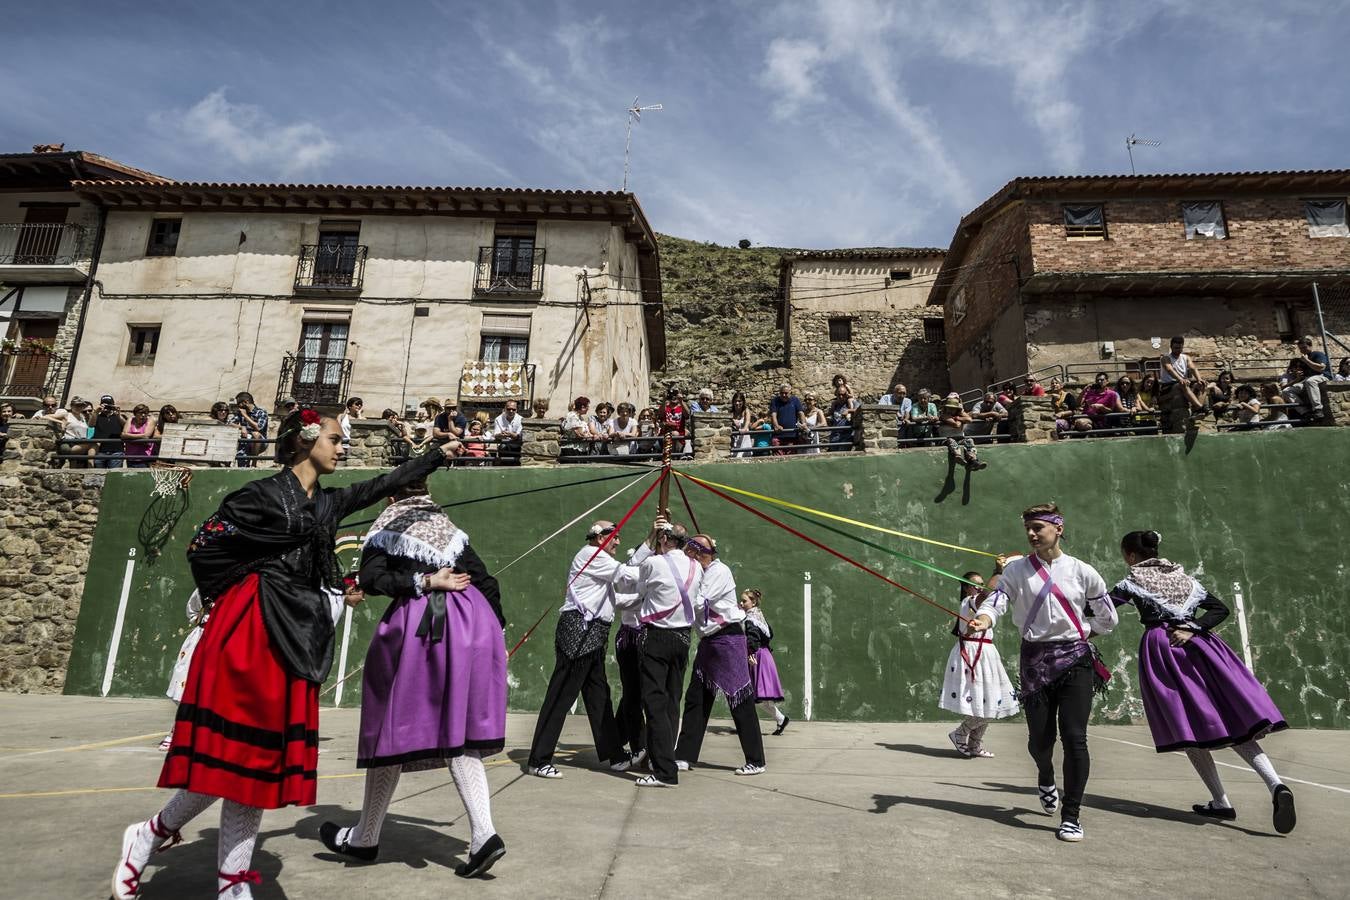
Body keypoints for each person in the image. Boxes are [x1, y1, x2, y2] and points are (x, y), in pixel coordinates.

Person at [108, 409, 461, 900]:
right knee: (229, 757)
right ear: (306, 440)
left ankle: (162, 842)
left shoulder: (331, 503)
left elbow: (386, 482)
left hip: (295, 632)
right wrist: (260, 568)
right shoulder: (258, 495)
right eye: (336, 440)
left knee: (251, 765)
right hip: (249, 630)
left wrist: (435, 455)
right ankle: (210, 873)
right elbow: (203, 547)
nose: (343, 448)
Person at [319, 477, 508, 877]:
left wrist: (416, 583)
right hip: (474, 624)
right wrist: (496, 636)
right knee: (458, 729)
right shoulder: (449, 530)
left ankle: (369, 837)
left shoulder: (386, 526)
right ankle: (480, 834)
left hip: (423, 626)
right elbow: (486, 582)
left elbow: (371, 580)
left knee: (392, 725)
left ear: (391, 495)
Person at [1109, 530, 1295, 834]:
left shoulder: (1132, 581)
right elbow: (1220, 609)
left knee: (1188, 726)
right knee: (1232, 721)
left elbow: (1099, 608)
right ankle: (1275, 785)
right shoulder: (1184, 578)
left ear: (1130, 555)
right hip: (1205, 650)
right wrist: (1193, 628)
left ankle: (1221, 799)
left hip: (1166, 650)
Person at [966, 503, 1118, 843]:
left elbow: (1108, 618)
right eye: (1028, 529)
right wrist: (985, 619)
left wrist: (1081, 632)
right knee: (1040, 741)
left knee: (1076, 737)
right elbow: (996, 601)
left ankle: (1072, 814)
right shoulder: (1017, 570)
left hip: (1076, 660)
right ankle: (1045, 774)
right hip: (1034, 660)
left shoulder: (1083, 571)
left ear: (1058, 528)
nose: (1032, 534)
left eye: (1038, 527)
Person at [526, 521, 633, 778]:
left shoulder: (598, 561)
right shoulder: (592, 555)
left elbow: (613, 598)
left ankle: (615, 756)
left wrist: (645, 597)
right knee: (561, 696)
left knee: (599, 697)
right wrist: (658, 571)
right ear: (599, 538)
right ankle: (538, 760)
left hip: (594, 636)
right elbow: (625, 575)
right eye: (614, 537)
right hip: (579, 634)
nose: (618, 542)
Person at [612, 518, 703, 787]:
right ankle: (663, 758)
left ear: (664, 539)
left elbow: (633, 583)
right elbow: (696, 603)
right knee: (672, 701)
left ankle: (664, 770)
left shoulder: (653, 563)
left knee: (654, 704)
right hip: (684, 638)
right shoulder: (696, 566)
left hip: (657, 638)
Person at [673, 535, 767, 776]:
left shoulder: (718, 571)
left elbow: (699, 600)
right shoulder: (700, 571)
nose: (686, 554)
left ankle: (756, 760)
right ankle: (684, 755)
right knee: (697, 698)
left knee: (739, 698)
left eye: (690, 551)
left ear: (698, 553)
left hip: (727, 639)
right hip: (709, 642)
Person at [940, 569, 1018, 759]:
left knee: (990, 701)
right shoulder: (969, 602)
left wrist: (997, 572)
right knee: (989, 705)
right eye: (976, 584)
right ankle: (960, 733)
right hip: (973, 653)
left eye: (982, 583)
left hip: (986, 653)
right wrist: (999, 571)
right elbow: (986, 594)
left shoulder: (981, 604)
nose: (980, 587)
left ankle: (974, 745)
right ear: (967, 588)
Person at [740, 589, 788, 734]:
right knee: (759, 696)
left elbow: (753, 639)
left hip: (756, 657)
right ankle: (780, 719)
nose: (741, 603)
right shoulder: (759, 616)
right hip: (764, 655)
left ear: (753, 602)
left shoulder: (750, 619)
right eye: (741, 601)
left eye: (744, 601)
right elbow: (770, 634)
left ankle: (748, 726)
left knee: (754, 695)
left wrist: (750, 653)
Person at [938, 393, 984, 470]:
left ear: (957, 409)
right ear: (946, 408)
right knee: (951, 441)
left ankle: (973, 460)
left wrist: (958, 417)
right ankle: (958, 456)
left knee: (969, 440)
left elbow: (969, 420)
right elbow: (956, 425)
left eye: (953, 408)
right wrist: (961, 420)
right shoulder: (944, 416)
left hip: (959, 438)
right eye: (949, 408)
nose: (951, 410)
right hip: (945, 440)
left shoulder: (958, 415)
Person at [231, 392, 269, 467]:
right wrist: (242, 427)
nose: (238, 406)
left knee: (256, 434)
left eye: (239, 403)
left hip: (260, 442)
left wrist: (245, 416)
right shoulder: (240, 412)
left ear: (246, 402)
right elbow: (230, 423)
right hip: (245, 442)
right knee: (241, 461)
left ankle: (254, 463)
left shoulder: (261, 412)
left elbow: (259, 427)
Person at [91, 394, 127, 469]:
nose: (107, 408)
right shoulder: (97, 416)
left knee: (114, 476)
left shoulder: (119, 416)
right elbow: (91, 425)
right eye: (105, 405)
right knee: (98, 476)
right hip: (100, 451)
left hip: (116, 451)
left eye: (109, 405)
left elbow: (126, 426)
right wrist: (95, 412)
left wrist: (118, 415)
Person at [769, 383, 803, 453]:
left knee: (791, 459)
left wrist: (804, 424)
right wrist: (776, 425)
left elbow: (801, 413)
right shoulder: (775, 401)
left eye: (786, 393)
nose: (784, 395)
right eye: (782, 393)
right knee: (777, 459)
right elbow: (773, 414)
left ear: (790, 392)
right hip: (778, 435)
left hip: (792, 435)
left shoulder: (795, 400)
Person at [121, 404, 158, 468]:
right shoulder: (130, 420)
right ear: (135, 414)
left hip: (145, 458)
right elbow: (123, 435)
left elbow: (146, 436)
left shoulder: (150, 420)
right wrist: (141, 436)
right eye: (140, 413)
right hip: (131, 457)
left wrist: (129, 437)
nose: (143, 415)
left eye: (145, 413)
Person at [490, 399, 524, 465]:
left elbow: (518, 436)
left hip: (516, 446)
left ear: (516, 410)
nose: (511, 411)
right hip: (504, 447)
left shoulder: (521, 419)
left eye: (513, 409)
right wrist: (500, 435)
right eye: (509, 409)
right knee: (503, 447)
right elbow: (496, 435)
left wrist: (510, 434)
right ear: (505, 409)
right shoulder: (498, 419)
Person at [728, 391, 754, 457]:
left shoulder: (746, 411)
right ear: (733, 402)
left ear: (743, 402)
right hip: (734, 440)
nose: (737, 403)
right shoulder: (730, 412)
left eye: (739, 401)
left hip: (744, 439)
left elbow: (748, 421)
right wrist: (733, 421)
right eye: (735, 401)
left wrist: (744, 429)